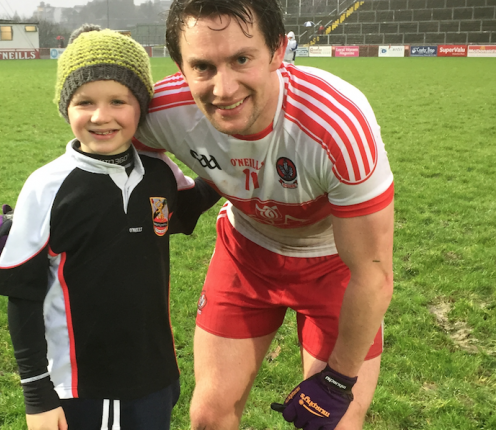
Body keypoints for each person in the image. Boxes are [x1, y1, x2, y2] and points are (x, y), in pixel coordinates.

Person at [132, 0, 395, 429]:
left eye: (241, 59)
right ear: (179, 66)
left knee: (337, 423)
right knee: (208, 417)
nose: (223, 88)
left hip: (336, 266)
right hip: (247, 254)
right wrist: (176, 198)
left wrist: (338, 381)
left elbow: (372, 274)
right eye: (202, 66)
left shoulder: (336, 126)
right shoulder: (166, 109)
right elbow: (109, 149)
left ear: (278, 50)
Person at [0, 25, 219, 430]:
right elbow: (21, 297)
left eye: (118, 101)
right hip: (85, 386)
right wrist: (37, 395)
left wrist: (242, 167)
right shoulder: (47, 187)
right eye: (84, 102)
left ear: (140, 108)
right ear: (65, 107)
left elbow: (184, 208)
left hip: (156, 377)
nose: (101, 116)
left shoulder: (159, 171)